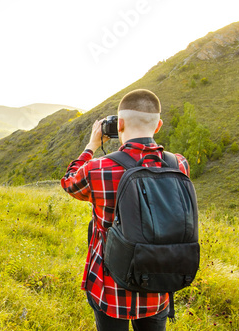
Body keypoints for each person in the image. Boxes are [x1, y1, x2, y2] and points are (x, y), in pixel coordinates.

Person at [60, 89, 190, 331]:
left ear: (119, 124)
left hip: (110, 289)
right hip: (157, 283)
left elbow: (69, 182)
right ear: (158, 125)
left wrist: (91, 145)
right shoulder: (179, 164)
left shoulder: (97, 169)